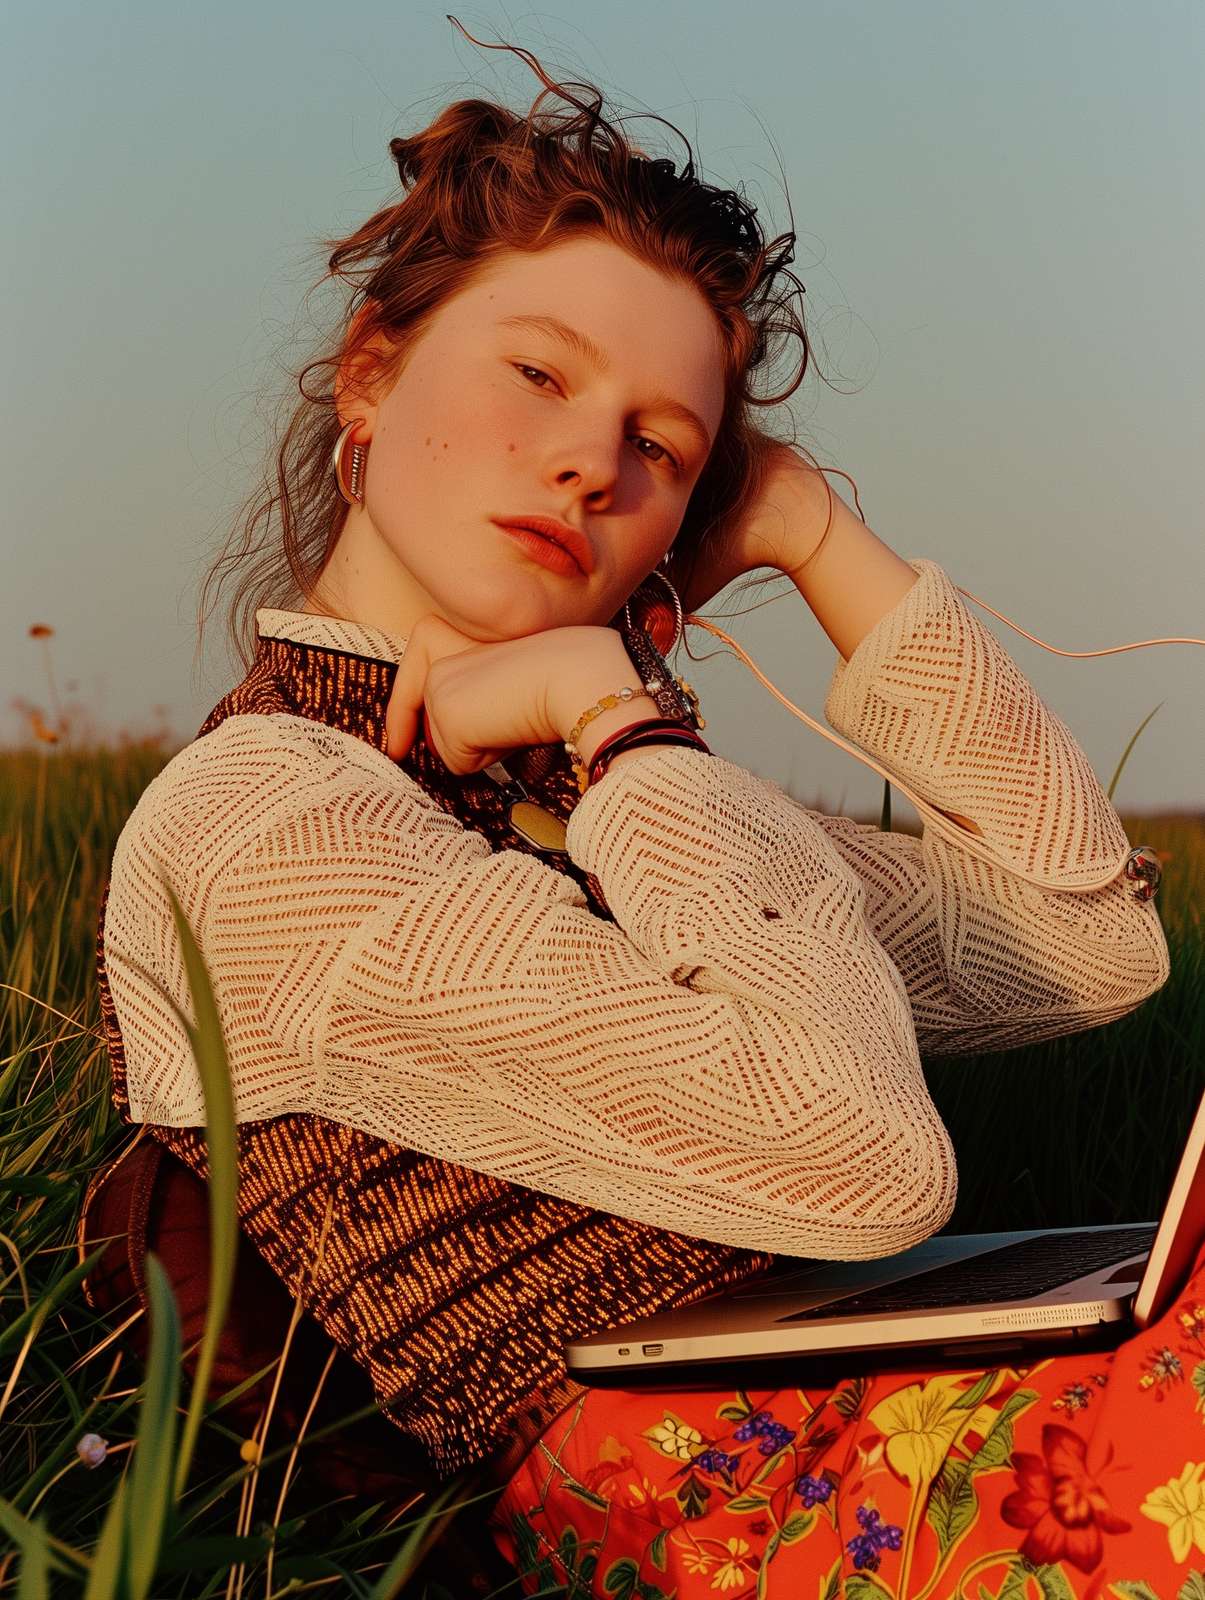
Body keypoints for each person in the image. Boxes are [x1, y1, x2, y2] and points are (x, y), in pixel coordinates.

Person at [97, 72, 1200, 1600]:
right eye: (539, 375)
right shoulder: (263, 821)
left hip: (868, 1422)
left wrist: (809, 528)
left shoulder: (581, 789)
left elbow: (1087, 942)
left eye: (664, 449)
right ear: (371, 375)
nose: (590, 464)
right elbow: (867, 1162)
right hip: (702, 1510)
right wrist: (621, 723)